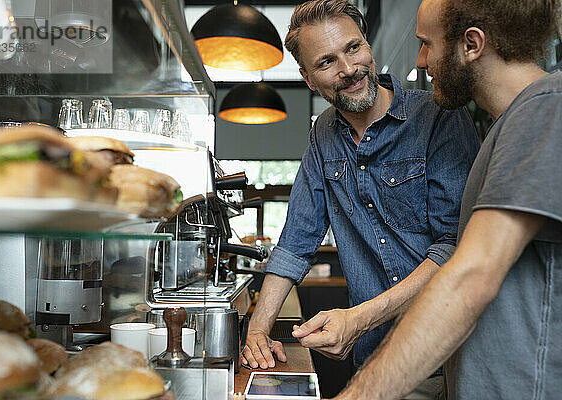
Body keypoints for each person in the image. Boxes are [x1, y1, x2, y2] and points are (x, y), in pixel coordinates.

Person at [240, 0, 479, 396]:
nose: (349, 69)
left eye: (354, 48)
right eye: (327, 62)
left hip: (446, 357)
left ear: (367, 44)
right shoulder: (322, 136)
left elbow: (455, 248)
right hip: (376, 357)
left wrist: (358, 319)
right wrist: (259, 330)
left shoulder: (438, 116)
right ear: (308, 79)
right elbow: (296, 243)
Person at [331, 0, 562, 399]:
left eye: (426, 44)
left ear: (472, 45)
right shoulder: (508, 125)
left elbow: (470, 277)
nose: (421, 61)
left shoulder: (544, 109)